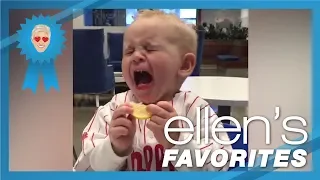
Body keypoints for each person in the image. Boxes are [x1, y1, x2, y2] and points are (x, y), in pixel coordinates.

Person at [73, 10, 232, 171]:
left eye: (149, 49)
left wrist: (177, 142)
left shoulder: (196, 110)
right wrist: (113, 148)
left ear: (184, 65)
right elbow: (84, 168)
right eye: (129, 51)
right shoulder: (112, 111)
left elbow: (218, 167)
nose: (136, 56)